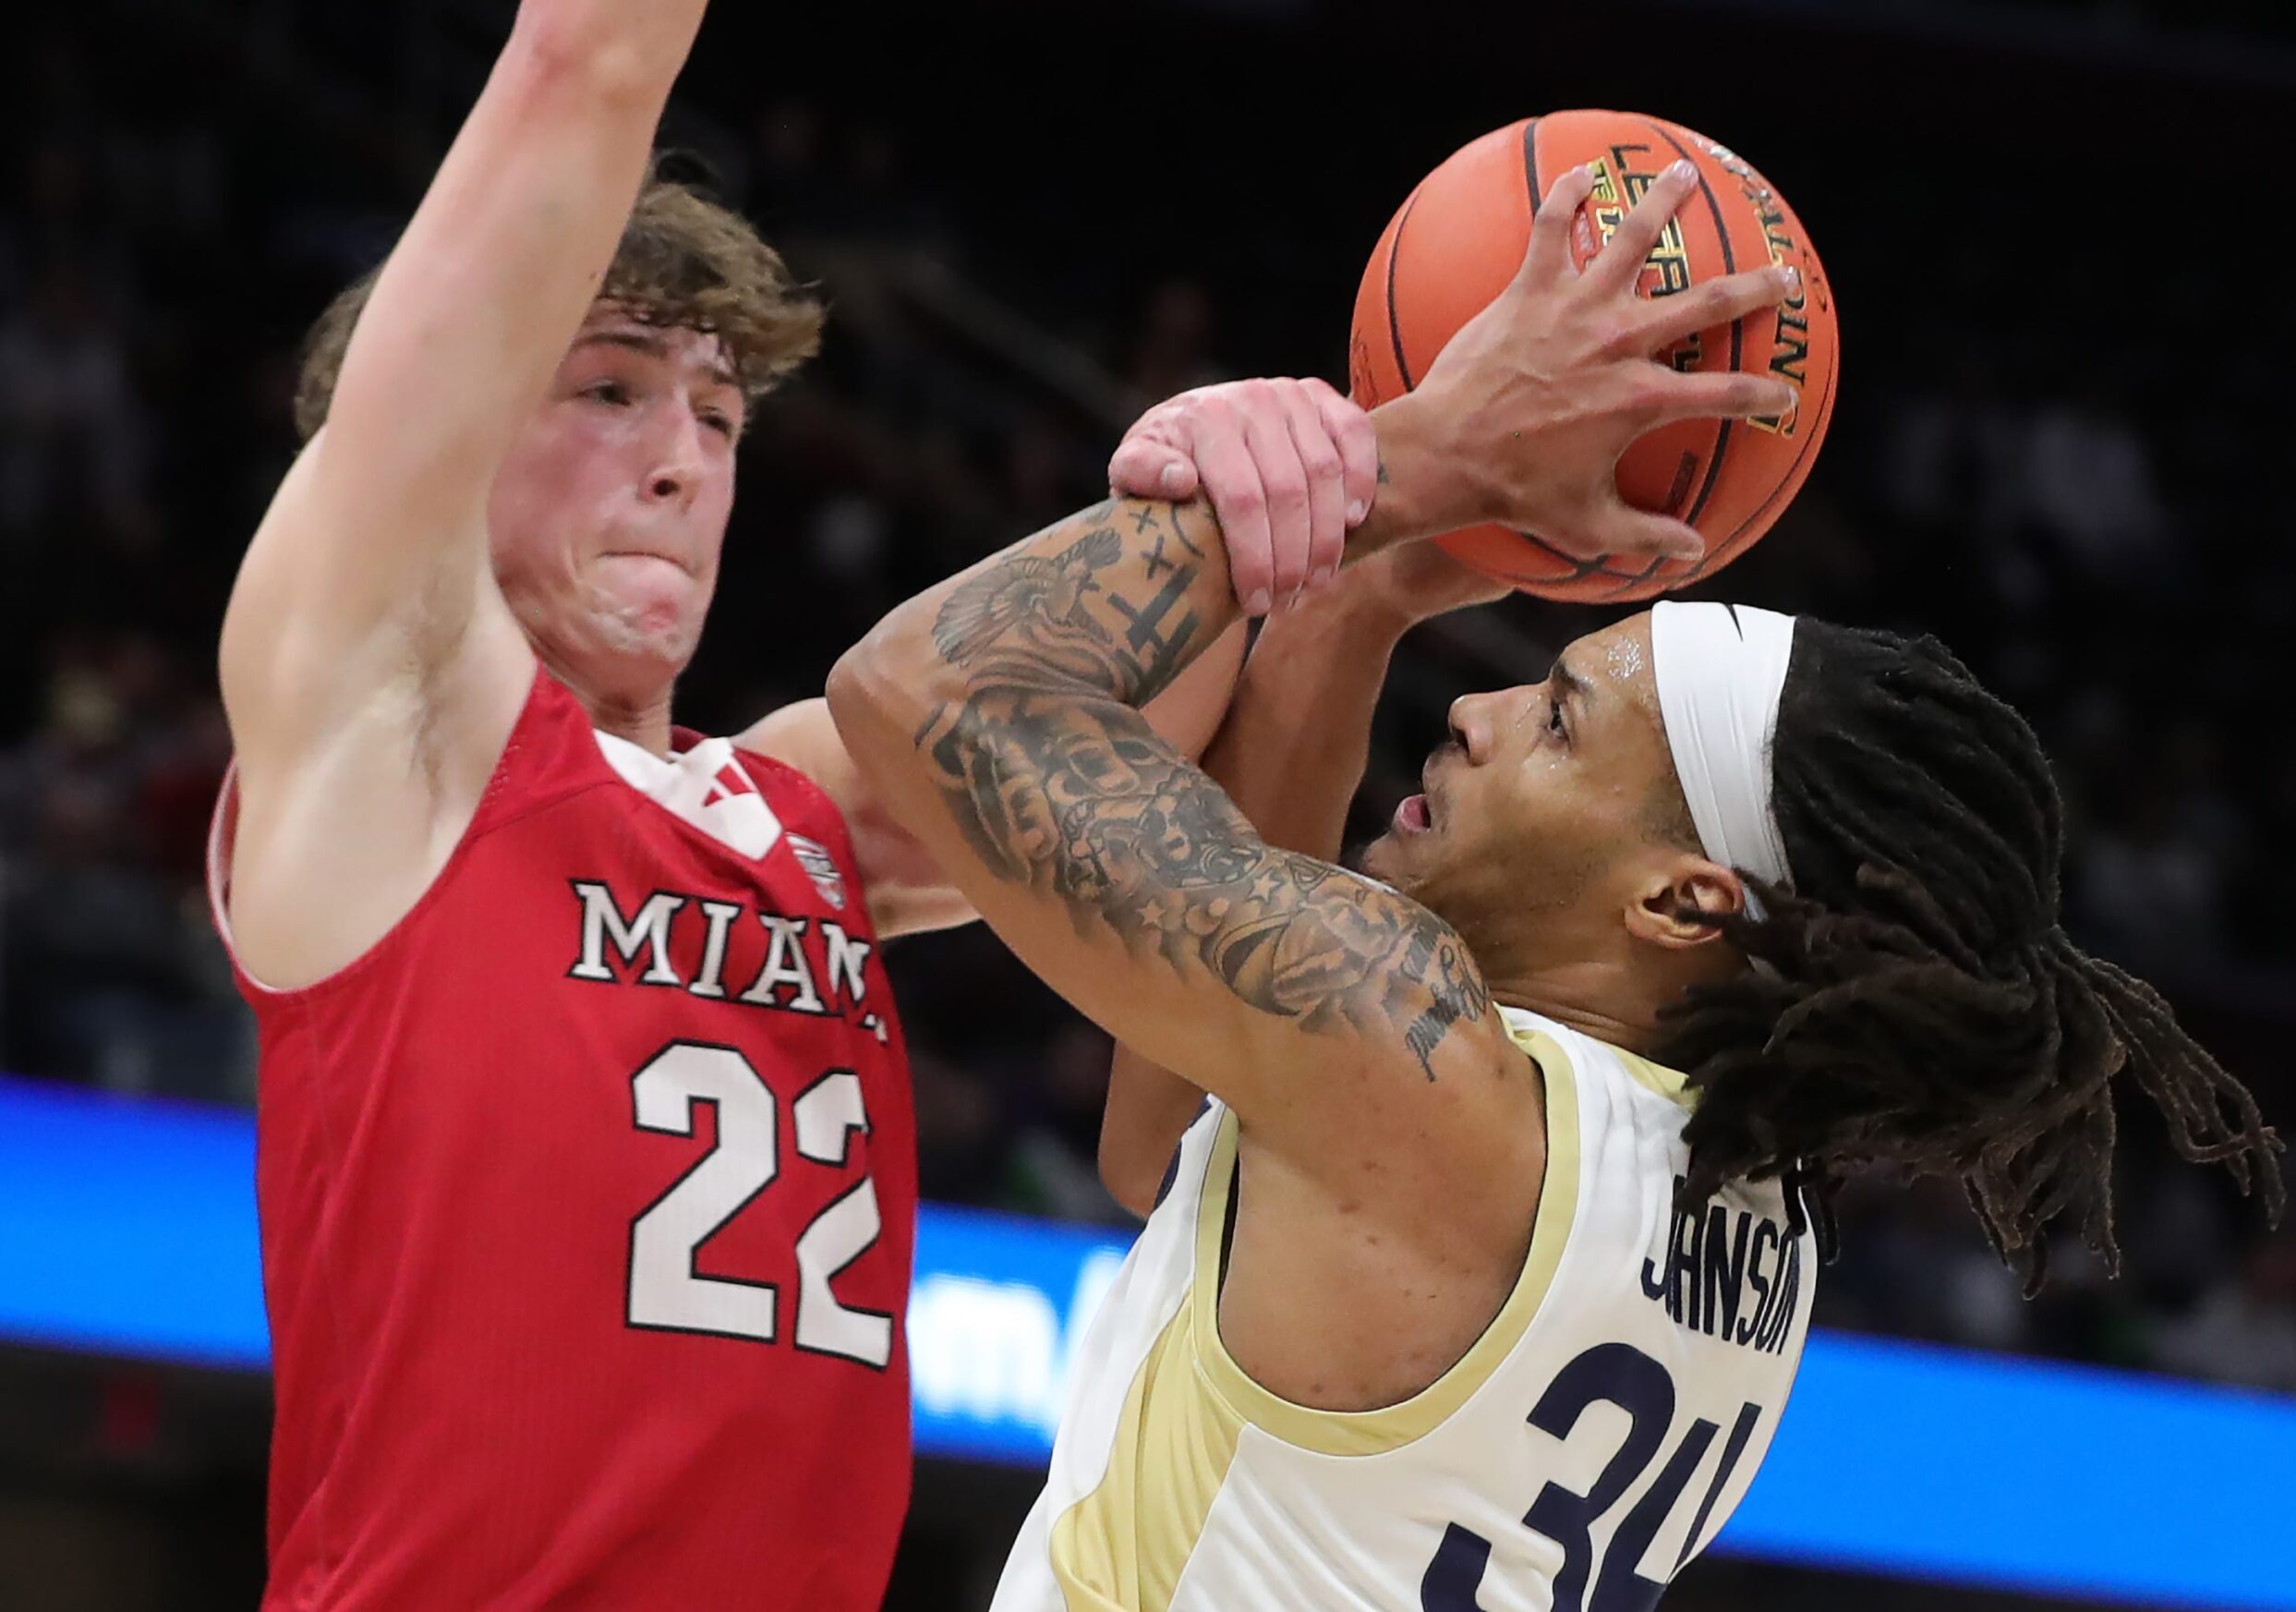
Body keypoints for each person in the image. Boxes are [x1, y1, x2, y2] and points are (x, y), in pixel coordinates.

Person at [826, 162, 2283, 1611]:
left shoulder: (1411, 1055)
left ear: (1684, 903)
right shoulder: (1749, 1215)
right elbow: (1172, 1146)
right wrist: (1360, 593)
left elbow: (922, 688)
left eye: (1563, 720)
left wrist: (1414, 456)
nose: (1479, 711)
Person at [205, 1, 1400, 1605]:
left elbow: (1126, 742)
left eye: (716, 415)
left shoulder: (792, 808)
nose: (684, 461)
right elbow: (581, 61)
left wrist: (1216, 470)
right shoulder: (380, 730)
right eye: (610, 390)